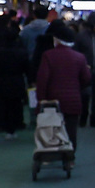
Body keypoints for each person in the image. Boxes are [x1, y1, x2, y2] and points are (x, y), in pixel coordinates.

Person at [36, 21, 91, 152]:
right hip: (73, 100)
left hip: (52, 100)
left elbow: (42, 79)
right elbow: (87, 79)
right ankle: (70, 157)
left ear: (56, 40)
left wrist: (41, 100)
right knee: (71, 130)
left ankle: (51, 153)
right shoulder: (80, 57)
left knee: (51, 129)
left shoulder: (48, 55)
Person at [0, 28, 29, 138]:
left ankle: (2, 125)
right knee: (16, 105)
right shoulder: (21, 53)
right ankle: (15, 125)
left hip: (1, 82)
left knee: (1, 105)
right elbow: (27, 69)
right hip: (17, 81)